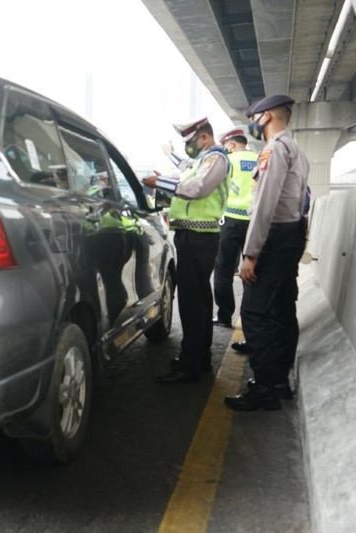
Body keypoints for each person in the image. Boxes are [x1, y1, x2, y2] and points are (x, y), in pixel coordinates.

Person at [224, 94, 310, 411]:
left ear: (267, 117)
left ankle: (266, 388)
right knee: (283, 307)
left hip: (274, 236)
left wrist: (250, 253)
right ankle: (280, 381)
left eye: (256, 116)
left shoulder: (273, 150)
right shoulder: (297, 149)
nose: (253, 122)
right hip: (292, 233)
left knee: (256, 312)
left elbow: (264, 204)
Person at [142, 117, 229, 384]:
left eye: (191, 142)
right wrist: (170, 164)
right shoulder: (204, 160)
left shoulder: (217, 159)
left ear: (204, 137)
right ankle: (198, 357)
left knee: (192, 303)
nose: (189, 147)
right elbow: (189, 170)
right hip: (194, 237)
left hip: (198, 238)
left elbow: (197, 188)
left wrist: (160, 183)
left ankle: (191, 365)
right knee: (199, 302)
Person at [212, 128, 258, 329]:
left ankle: (224, 316)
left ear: (230, 144)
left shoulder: (228, 161)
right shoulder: (260, 158)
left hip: (229, 221)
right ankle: (250, 320)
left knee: (223, 270)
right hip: (254, 221)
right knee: (252, 271)